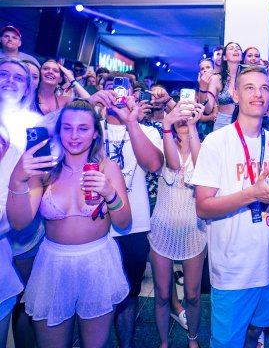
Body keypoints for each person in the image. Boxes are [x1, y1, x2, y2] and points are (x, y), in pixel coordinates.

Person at [192, 66, 269, 347]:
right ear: (235, 94)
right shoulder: (216, 142)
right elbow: (203, 207)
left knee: (257, 330)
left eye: (264, 88)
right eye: (250, 87)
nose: (258, 94)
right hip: (233, 270)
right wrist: (251, 194)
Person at [7, 99, 131, 348]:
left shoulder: (107, 168)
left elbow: (124, 222)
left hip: (97, 261)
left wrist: (110, 193)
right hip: (53, 264)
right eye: (67, 127)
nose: (74, 136)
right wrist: (17, 179)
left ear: (95, 133)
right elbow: (19, 223)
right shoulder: (45, 169)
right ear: (58, 130)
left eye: (83, 128)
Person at [102, 75, 164, 348]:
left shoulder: (146, 130)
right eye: (110, 89)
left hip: (133, 226)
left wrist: (132, 122)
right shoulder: (90, 126)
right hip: (94, 227)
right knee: (96, 296)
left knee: (129, 294)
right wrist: (92, 105)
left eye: (122, 90)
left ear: (132, 95)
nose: (116, 94)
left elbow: (153, 165)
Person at [149, 100, 207, 348]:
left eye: (188, 113)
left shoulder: (204, 146)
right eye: (179, 113)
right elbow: (172, 165)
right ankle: (164, 342)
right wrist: (166, 126)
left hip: (194, 231)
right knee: (162, 294)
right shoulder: (161, 143)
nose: (183, 117)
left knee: (193, 295)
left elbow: (202, 170)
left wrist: (192, 127)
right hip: (162, 230)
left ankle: (192, 340)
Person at [0, 58, 37, 348]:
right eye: (3, 74)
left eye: (18, 77)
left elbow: (39, 179)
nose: (10, 80)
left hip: (17, 233)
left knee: (21, 306)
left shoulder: (33, 129)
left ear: (27, 88)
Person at [198, 42, 242, 131]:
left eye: (238, 48)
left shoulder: (247, 78)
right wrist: (202, 88)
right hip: (222, 126)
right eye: (231, 48)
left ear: (241, 56)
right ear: (224, 57)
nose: (235, 49)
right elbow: (207, 109)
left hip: (243, 125)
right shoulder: (217, 79)